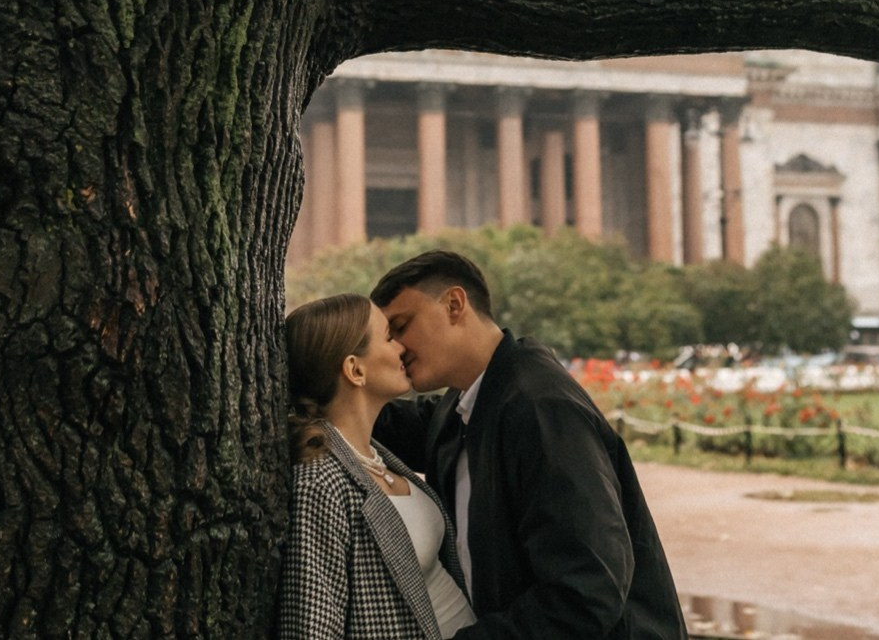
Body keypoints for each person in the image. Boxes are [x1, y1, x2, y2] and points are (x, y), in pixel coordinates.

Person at [372, 252, 689, 640]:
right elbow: (386, 424)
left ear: (455, 304)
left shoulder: (539, 406)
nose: (397, 348)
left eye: (401, 327)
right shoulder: (467, 403)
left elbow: (586, 592)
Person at [278, 292, 476, 640]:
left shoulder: (376, 456)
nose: (401, 346)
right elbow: (312, 628)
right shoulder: (318, 481)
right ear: (355, 370)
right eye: (388, 335)